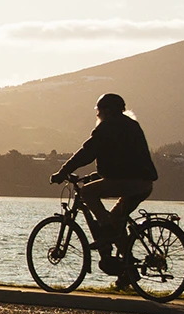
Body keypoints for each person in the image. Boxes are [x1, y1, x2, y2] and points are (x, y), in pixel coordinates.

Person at [51, 92, 157, 278]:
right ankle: (128, 269)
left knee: (87, 193)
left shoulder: (108, 127)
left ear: (107, 111)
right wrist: (99, 174)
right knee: (117, 219)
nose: (97, 115)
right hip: (144, 184)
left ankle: (105, 232)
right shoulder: (131, 125)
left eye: (98, 111)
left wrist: (62, 172)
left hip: (128, 183)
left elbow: (86, 152)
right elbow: (122, 157)